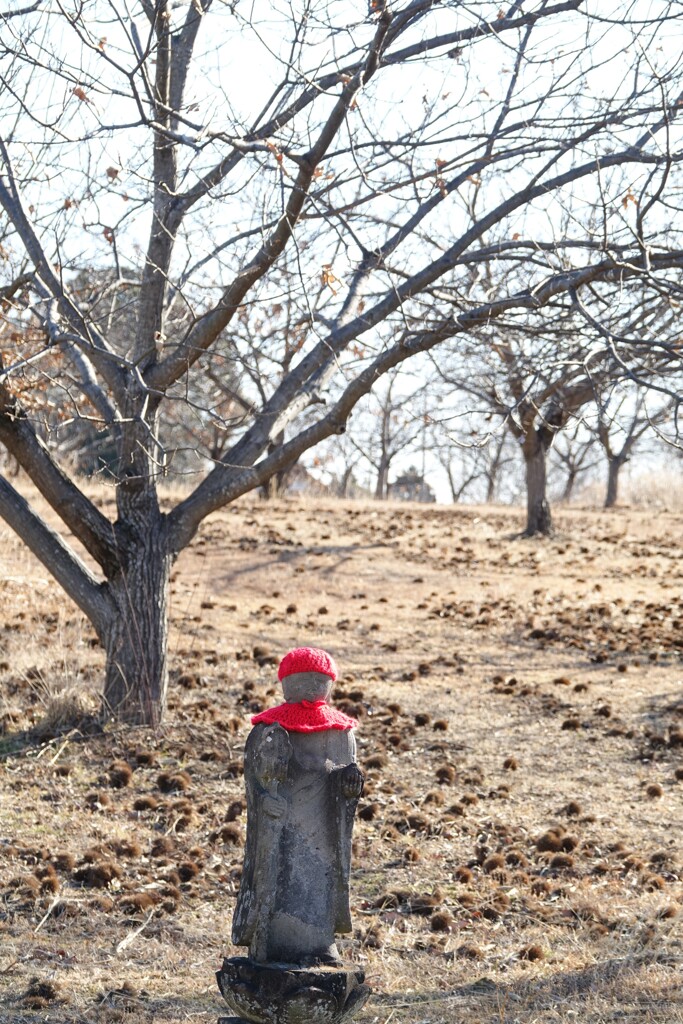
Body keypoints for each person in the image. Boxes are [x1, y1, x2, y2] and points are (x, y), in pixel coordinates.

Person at [232, 647, 364, 965]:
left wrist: (349, 786)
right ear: (287, 684)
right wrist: (265, 802)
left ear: (329, 685)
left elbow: (346, 777)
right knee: (279, 878)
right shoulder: (268, 732)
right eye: (304, 681)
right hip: (282, 826)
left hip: (324, 826)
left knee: (321, 880)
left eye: (319, 681)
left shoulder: (342, 734)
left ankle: (321, 942)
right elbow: (255, 781)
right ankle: (274, 942)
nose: (312, 687)